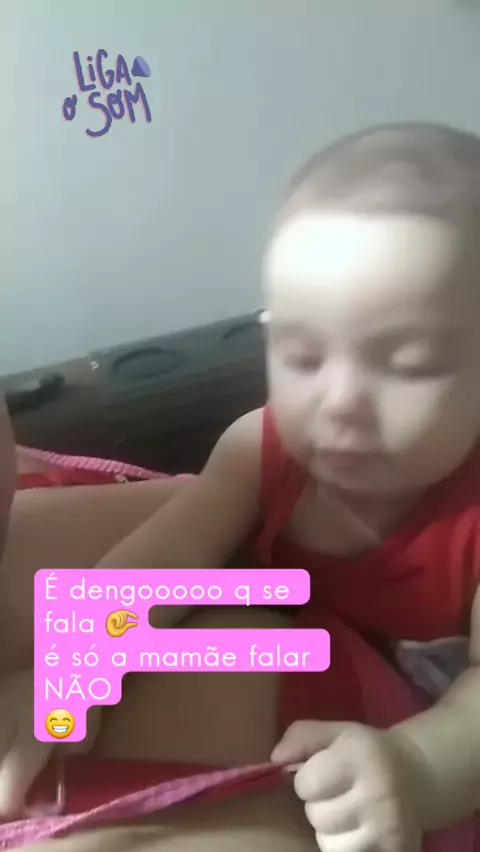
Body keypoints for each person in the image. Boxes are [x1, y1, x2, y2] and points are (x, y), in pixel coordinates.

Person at [2, 121, 480, 852]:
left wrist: (418, 767)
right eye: (303, 356)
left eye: (407, 364)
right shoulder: (261, 449)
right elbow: (162, 559)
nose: (341, 401)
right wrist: (75, 663)